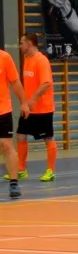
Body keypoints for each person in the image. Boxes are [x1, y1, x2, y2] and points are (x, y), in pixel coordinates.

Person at [17, 34, 58, 182]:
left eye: (21, 43)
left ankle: (51, 171)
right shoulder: (27, 59)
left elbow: (46, 84)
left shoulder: (42, 61)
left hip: (43, 108)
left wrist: (32, 100)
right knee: (21, 135)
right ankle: (21, 169)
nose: (20, 46)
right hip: (29, 108)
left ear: (29, 44)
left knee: (48, 138)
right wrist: (25, 103)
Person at [0, 47, 28, 198]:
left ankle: (13, 182)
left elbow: (15, 82)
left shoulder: (4, 57)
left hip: (3, 110)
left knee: (7, 145)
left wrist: (23, 102)